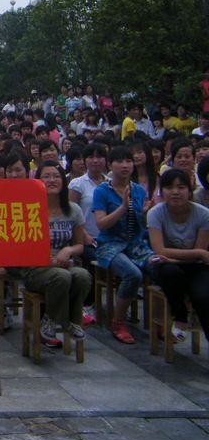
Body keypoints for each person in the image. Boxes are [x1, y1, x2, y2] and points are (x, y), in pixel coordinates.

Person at [23, 162, 91, 348]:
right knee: (61, 277)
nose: (52, 180)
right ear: (38, 180)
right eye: (47, 176)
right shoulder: (29, 208)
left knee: (83, 275)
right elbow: (24, 247)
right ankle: (50, 320)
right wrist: (51, 261)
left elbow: (79, 245)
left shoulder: (73, 209)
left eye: (56, 176)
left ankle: (74, 321)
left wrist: (67, 251)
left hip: (64, 263)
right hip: (36, 268)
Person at [93, 146, 153, 344]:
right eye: (120, 161)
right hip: (110, 244)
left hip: (136, 243)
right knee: (132, 274)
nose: (125, 165)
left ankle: (159, 321)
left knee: (160, 267)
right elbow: (101, 224)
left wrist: (144, 213)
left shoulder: (137, 190)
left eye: (129, 161)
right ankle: (118, 321)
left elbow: (140, 226)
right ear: (111, 165)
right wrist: (122, 208)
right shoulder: (102, 191)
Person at [147, 168, 209, 344]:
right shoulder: (156, 213)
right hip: (167, 266)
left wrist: (193, 254)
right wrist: (198, 253)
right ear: (162, 191)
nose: (175, 192)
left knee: (203, 297)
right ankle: (180, 316)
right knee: (170, 272)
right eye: (169, 187)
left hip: (195, 267)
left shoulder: (203, 214)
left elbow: (200, 253)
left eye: (181, 187)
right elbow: (160, 250)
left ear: (189, 191)